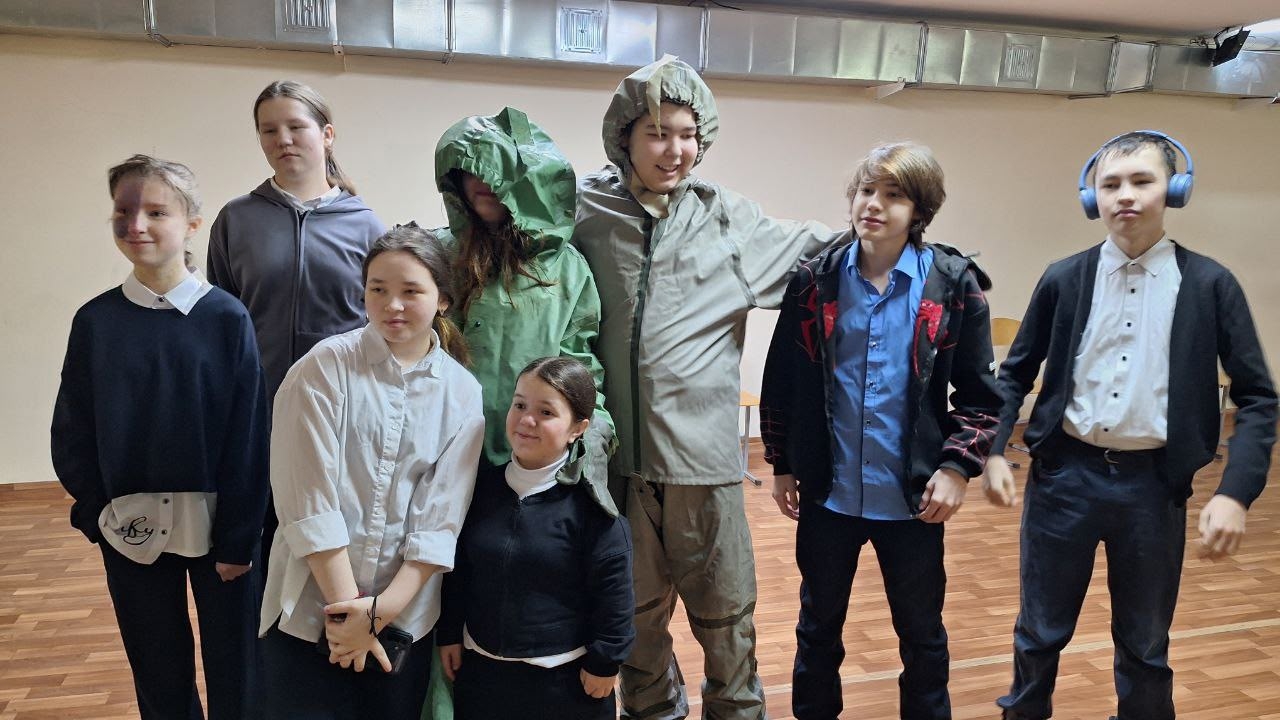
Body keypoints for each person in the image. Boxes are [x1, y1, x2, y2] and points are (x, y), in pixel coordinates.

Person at [571, 55, 835, 720]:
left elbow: (832, 254)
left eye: (688, 134)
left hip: (705, 470)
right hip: (619, 468)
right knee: (635, 627)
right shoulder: (586, 211)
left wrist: (923, 253)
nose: (675, 150)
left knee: (726, 623)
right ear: (626, 135)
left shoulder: (728, 220)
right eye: (658, 133)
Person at [983, 130, 1277, 720]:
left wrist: (1235, 493)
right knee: (1039, 634)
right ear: (1091, 196)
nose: (1125, 195)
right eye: (1110, 184)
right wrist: (991, 450)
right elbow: (1014, 374)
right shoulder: (1064, 277)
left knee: (1145, 645)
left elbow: (1258, 398)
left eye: (1142, 181)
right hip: (1063, 480)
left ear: (1174, 189)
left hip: (1153, 488)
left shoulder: (1211, 285)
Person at [758, 142, 1002, 720]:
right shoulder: (813, 282)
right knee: (818, 627)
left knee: (922, 634)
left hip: (913, 500)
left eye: (893, 195)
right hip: (829, 494)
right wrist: (782, 463)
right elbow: (783, 380)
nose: (873, 204)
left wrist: (956, 468)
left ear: (919, 211)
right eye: (866, 191)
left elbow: (980, 395)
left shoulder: (951, 284)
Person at [51, 154, 270, 719]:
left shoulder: (226, 318)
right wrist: (98, 515)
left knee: (237, 667)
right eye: (123, 212)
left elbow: (249, 435)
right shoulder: (95, 322)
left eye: (155, 212)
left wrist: (239, 539)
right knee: (157, 668)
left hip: (219, 529)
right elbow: (73, 430)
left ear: (191, 223)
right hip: (130, 529)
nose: (136, 225)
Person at [259, 225, 485, 720]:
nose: (392, 305)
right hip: (312, 610)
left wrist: (378, 614)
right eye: (378, 289)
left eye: (411, 291)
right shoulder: (323, 367)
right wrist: (349, 617)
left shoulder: (462, 393)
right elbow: (308, 502)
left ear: (443, 300)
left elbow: (438, 523)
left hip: (402, 619)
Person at [207, 79, 386, 578]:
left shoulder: (367, 225)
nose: (282, 139)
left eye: (295, 127)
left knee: (331, 544)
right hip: (257, 414)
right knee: (263, 551)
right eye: (269, 130)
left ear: (326, 135)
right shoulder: (236, 220)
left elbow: (379, 327)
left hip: (340, 414)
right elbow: (223, 321)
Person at [433, 106, 614, 509]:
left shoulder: (566, 269)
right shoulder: (441, 255)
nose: (481, 183)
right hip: (442, 451)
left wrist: (595, 432)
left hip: (533, 456)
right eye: (471, 170)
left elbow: (579, 362)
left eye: (497, 174)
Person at [437, 356, 635, 720]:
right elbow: (458, 571)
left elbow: (614, 597)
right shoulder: (480, 489)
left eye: (546, 412)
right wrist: (449, 633)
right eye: (520, 405)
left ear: (578, 428)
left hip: (565, 684)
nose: (526, 420)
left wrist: (606, 661)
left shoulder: (592, 510)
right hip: (483, 675)